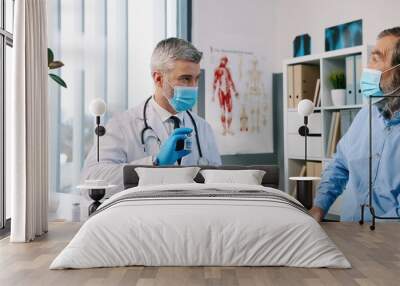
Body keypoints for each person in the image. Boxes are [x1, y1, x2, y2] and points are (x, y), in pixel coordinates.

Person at [81, 38, 221, 189]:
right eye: (185, 79)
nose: (193, 87)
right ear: (159, 79)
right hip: (142, 211)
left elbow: (216, 182)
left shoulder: (203, 128)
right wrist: (156, 163)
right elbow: (92, 178)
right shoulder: (122, 125)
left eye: (196, 79)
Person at [310, 27, 400, 222]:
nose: (367, 67)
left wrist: (364, 239)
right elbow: (340, 165)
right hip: (349, 233)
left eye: (376, 58)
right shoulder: (365, 115)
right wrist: (319, 207)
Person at [212, 56, 239, 135]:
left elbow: (230, 81)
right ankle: (224, 129)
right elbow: (214, 81)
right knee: (222, 110)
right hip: (221, 92)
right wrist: (213, 94)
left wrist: (235, 91)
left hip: (228, 92)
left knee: (230, 110)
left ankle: (229, 129)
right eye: (222, 61)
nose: (223, 62)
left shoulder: (227, 70)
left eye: (225, 61)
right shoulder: (217, 70)